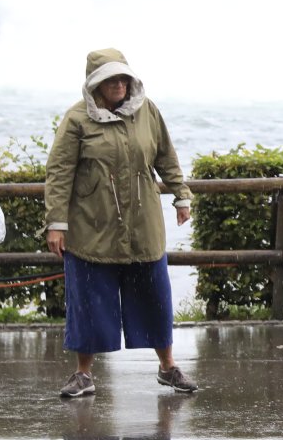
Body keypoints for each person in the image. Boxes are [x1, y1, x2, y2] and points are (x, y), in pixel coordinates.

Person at [44, 49, 197, 399]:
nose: (118, 84)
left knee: (155, 298)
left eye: (123, 78)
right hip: (91, 226)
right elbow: (59, 173)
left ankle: (168, 367)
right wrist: (56, 223)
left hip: (143, 225)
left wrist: (181, 194)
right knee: (89, 302)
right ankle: (83, 374)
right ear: (95, 83)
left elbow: (165, 156)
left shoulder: (147, 111)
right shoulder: (77, 119)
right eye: (110, 79)